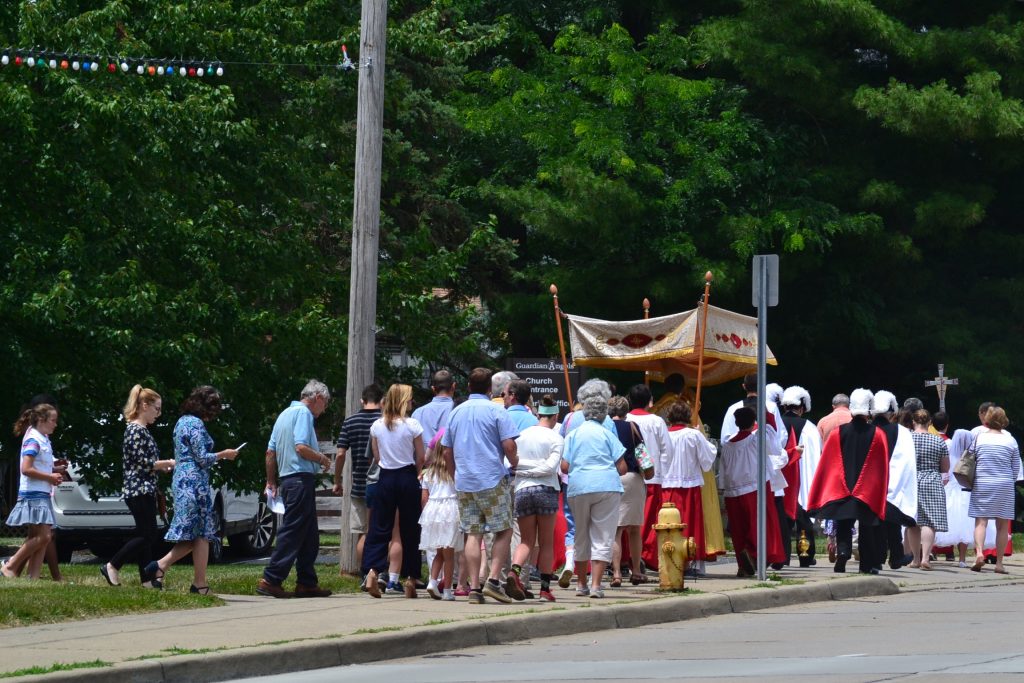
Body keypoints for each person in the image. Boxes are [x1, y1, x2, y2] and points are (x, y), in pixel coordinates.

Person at [146, 386, 239, 594]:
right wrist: (224, 454)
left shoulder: (181, 422)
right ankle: (171, 570)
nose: (214, 413)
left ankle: (192, 579)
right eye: (213, 408)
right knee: (199, 533)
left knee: (200, 534)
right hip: (193, 482)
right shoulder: (195, 424)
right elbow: (201, 457)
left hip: (183, 480)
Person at [442, 368, 520, 604]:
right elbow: (508, 445)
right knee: (504, 529)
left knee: (472, 534)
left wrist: (455, 475)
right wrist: (515, 462)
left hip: (465, 481)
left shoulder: (455, 413)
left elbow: (446, 450)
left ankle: (474, 586)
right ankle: (494, 580)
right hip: (492, 478)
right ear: (490, 389)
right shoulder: (497, 411)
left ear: (467, 387)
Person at [257, 380, 333, 599]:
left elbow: (270, 452)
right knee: (292, 530)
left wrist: (271, 481)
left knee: (309, 534)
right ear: (317, 397)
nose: (324, 409)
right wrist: (321, 458)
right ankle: (271, 578)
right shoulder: (303, 414)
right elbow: (301, 447)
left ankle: (307, 582)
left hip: (288, 479)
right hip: (300, 479)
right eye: (325, 403)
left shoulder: (283, 415)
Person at [807, 389, 889, 574]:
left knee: (844, 523)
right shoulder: (878, 434)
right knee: (866, 526)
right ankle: (866, 565)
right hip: (866, 490)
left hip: (841, 487)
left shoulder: (838, 432)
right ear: (868, 410)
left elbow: (829, 460)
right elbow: (881, 466)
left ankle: (843, 551)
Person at [102, 386, 176, 588]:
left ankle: (146, 580)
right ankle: (112, 565)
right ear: (144, 405)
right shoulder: (135, 430)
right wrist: (167, 462)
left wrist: (162, 466)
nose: (158, 414)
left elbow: (146, 463)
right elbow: (143, 463)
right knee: (147, 534)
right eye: (157, 409)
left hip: (144, 488)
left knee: (147, 534)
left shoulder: (141, 431)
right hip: (137, 489)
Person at [362, 384, 426, 598]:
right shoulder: (412, 425)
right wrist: (419, 473)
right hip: (407, 476)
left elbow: (377, 457)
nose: (411, 403)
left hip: (386, 477)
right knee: (410, 529)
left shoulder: (378, 426)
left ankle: (372, 571)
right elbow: (420, 456)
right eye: (409, 399)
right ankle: (410, 577)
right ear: (403, 401)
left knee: (380, 527)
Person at [561, 392, 626, 598]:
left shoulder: (573, 435)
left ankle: (581, 584)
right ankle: (596, 585)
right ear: (604, 414)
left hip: (578, 487)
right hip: (606, 486)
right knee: (603, 535)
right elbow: (622, 467)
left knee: (580, 533)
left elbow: (564, 466)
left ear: (585, 413)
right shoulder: (608, 434)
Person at [719, 405, 786, 576]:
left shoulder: (727, 444)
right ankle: (753, 554)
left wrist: (723, 488)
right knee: (760, 526)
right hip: (755, 487)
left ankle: (743, 565)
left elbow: (723, 469)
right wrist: (767, 417)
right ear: (753, 422)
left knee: (739, 529)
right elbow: (775, 447)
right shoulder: (756, 439)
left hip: (733, 492)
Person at [509, 394, 563, 601]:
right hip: (546, 489)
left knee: (526, 540)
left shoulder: (522, 435)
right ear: (555, 416)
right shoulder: (557, 438)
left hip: (522, 489)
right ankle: (545, 590)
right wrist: (535, 471)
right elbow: (551, 467)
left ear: (538, 414)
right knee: (546, 542)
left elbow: (511, 463)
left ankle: (514, 572)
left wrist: (523, 470)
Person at [2, 404, 63, 579]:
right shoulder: (33, 440)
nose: (55, 424)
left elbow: (38, 464)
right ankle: (10, 566)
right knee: (44, 537)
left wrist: (55, 467)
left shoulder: (43, 439)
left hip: (41, 493)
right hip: (33, 494)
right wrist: (50, 477)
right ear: (42, 420)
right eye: (53, 420)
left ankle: (33, 576)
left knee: (38, 536)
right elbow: (26, 468)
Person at [661, 401, 716, 577]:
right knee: (690, 523)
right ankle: (691, 560)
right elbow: (707, 458)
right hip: (689, 486)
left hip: (668, 486)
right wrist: (702, 435)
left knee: (670, 525)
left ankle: (670, 559)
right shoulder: (693, 435)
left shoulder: (663, 435)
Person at [334, 384, 383, 574]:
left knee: (364, 533)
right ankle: (380, 572)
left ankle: (363, 573)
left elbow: (340, 454)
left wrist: (337, 480)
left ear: (362, 400)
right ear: (382, 400)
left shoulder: (350, 421)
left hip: (359, 485)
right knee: (382, 531)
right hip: (381, 482)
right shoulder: (384, 421)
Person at [625, 384, 670, 572]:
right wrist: (663, 473)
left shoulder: (624, 419)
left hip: (628, 473)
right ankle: (644, 555)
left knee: (626, 519)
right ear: (649, 401)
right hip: (652, 475)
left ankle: (629, 557)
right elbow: (667, 449)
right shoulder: (657, 421)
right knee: (648, 520)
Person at [969, 406, 1020, 574]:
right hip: (1004, 483)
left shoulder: (979, 438)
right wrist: (1008, 480)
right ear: (1003, 421)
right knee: (1002, 524)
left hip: (982, 482)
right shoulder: (1010, 441)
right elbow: (1015, 468)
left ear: (987, 420)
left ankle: (979, 553)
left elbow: (970, 459)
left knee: (981, 521)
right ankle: (999, 563)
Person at [871, 390, 918, 571]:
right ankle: (896, 555)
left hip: (870, 482)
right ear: (891, 411)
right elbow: (907, 461)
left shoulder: (868, 428)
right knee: (892, 521)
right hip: (893, 480)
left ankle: (879, 557)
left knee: (874, 523)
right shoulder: (902, 432)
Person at [607, 395, 649, 587]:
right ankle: (637, 571)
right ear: (626, 411)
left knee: (615, 530)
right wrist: (649, 470)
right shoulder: (632, 427)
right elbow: (641, 451)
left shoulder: (604, 427)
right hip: (632, 477)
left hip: (609, 478)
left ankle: (616, 573)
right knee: (634, 529)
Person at [780, 386, 823, 568]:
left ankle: (782, 557)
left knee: (782, 519)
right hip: (802, 480)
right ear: (802, 407)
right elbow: (816, 457)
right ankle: (805, 556)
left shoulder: (776, 424)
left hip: (780, 478)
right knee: (803, 519)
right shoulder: (810, 428)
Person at [419, 432, 460, 601]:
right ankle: (448, 590)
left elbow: (424, 498)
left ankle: (432, 581)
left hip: (432, 511)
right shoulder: (454, 471)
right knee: (449, 554)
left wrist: (427, 513)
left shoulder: (428, 473)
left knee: (438, 552)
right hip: (450, 510)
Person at [906, 410, 949, 570]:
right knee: (929, 522)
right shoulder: (938, 440)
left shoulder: (907, 439)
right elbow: (945, 468)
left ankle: (915, 559)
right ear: (929, 422)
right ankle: (925, 558)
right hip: (931, 480)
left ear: (913, 422)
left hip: (911, 481)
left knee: (912, 522)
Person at [411, 370, 456, 446]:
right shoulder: (459, 411)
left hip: (425, 457)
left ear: (433, 388)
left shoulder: (417, 413)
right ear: (453, 386)